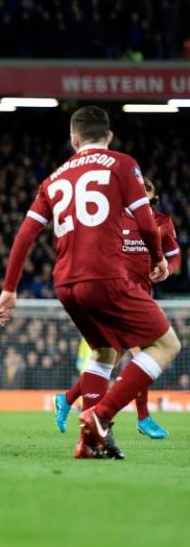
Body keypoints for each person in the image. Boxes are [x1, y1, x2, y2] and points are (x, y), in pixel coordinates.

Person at [0, 106, 181, 459]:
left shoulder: (53, 179)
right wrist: (159, 259)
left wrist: (9, 289)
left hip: (65, 284)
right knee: (166, 345)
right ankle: (100, 416)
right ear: (109, 137)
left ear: (74, 138)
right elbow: (145, 222)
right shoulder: (122, 163)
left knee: (103, 352)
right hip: (106, 276)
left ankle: (90, 442)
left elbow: (25, 234)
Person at [54, 177, 180, 439]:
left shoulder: (162, 223)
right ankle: (142, 417)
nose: (141, 190)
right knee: (142, 351)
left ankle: (67, 399)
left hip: (141, 297)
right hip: (117, 299)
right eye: (138, 187)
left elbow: (174, 254)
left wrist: (169, 269)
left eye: (147, 187)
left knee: (110, 359)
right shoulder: (114, 219)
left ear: (154, 195)